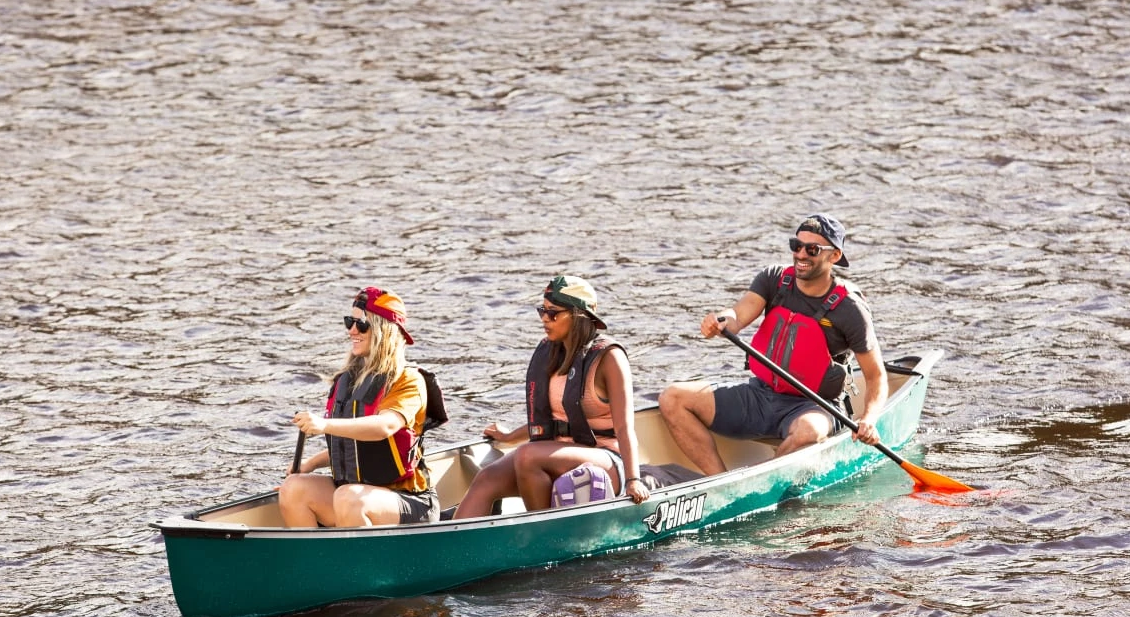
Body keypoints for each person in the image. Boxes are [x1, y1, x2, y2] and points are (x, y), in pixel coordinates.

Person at [658, 213, 888, 475]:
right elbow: (738, 315)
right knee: (672, 398)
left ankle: (760, 481)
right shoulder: (774, 279)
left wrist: (869, 419)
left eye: (812, 249)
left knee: (808, 431)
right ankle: (720, 481)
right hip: (760, 394)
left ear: (834, 256)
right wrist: (720, 321)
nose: (800, 254)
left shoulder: (850, 309)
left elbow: (876, 376)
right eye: (796, 246)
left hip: (815, 406)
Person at [454, 275, 651, 517]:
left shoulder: (609, 358)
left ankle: (542, 532)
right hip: (550, 454)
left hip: (606, 459)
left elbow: (624, 428)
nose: (544, 319)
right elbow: (552, 421)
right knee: (487, 478)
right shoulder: (551, 353)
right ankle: (452, 540)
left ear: (579, 316)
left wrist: (633, 479)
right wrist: (508, 437)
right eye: (542, 311)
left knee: (527, 455)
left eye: (553, 313)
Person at [278, 287, 440, 527]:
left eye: (362, 324)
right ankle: (316, 552)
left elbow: (384, 427)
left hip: (410, 501)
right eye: (349, 322)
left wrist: (324, 425)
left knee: (348, 497)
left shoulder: (409, 380)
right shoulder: (349, 380)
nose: (352, 330)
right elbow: (355, 448)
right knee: (293, 488)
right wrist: (310, 464)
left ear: (384, 331)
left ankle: (359, 554)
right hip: (357, 495)